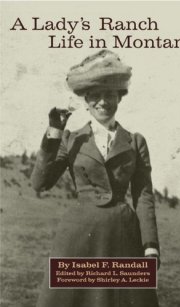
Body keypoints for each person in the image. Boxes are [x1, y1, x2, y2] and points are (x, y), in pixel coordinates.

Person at [31, 50, 160, 307]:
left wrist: (150, 246)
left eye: (110, 94)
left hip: (123, 237)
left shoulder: (135, 142)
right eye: (96, 95)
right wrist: (54, 131)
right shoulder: (70, 138)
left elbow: (143, 195)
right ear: (86, 100)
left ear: (119, 97)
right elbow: (40, 183)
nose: (103, 101)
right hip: (78, 238)